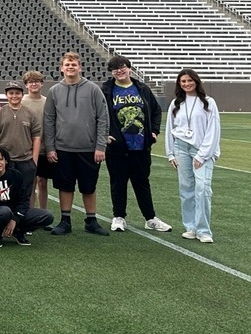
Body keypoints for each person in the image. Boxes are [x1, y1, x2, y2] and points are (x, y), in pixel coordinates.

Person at [42, 51, 110, 237]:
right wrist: (50, 147)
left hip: (88, 148)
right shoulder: (54, 91)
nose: (70, 67)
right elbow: (48, 120)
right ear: (61, 68)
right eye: (67, 64)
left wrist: (100, 146)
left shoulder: (93, 89)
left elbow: (103, 118)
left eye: (74, 64)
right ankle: (65, 220)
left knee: (89, 186)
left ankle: (91, 220)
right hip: (63, 148)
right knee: (65, 186)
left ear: (80, 67)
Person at [101, 55, 172, 233]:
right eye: (115, 68)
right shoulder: (106, 90)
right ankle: (119, 217)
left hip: (140, 146)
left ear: (129, 68)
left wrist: (154, 131)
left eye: (122, 67)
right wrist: (105, 135)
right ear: (112, 72)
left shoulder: (141, 88)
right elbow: (98, 114)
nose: (119, 71)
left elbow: (156, 111)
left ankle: (150, 218)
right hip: (117, 147)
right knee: (118, 182)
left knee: (142, 182)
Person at [165, 68, 221, 244]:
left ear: (196, 82)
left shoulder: (209, 102)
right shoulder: (176, 103)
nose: (187, 84)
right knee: (186, 189)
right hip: (180, 148)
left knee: (203, 188)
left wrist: (203, 154)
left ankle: (203, 230)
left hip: (201, 149)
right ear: (179, 84)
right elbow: (169, 129)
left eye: (190, 81)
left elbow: (213, 130)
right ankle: (191, 227)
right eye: (183, 81)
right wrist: (170, 153)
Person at [0, 146, 55, 247]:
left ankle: (18, 231)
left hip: (16, 213)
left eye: (0, 159)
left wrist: (15, 219)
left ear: (6, 161)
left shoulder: (16, 175)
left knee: (47, 216)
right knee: (5, 211)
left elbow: (24, 200)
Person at [0, 81, 42, 212]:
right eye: (11, 93)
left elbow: (36, 138)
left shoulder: (30, 114)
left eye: (17, 93)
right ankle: (3, 218)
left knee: (25, 192)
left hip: (25, 160)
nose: (14, 96)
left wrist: (34, 160)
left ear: (22, 95)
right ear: (6, 95)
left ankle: (23, 219)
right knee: (4, 192)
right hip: (5, 161)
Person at [22, 70, 50, 209]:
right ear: (26, 85)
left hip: (44, 149)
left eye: (36, 81)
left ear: (42, 84)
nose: (34, 84)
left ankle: (43, 212)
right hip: (27, 149)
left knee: (42, 181)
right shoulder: (22, 102)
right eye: (30, 82)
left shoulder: (47, 102)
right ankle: (30, 213)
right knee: (30, 182)